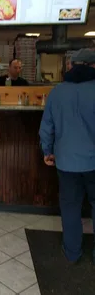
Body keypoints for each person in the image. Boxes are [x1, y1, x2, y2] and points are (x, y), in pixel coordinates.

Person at [39, 48, 95, 264]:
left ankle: (72, 252)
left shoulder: (58, 92)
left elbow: (47, 127)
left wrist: (47, 151)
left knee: (70, 207)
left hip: (67, 162)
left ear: (71, 66)